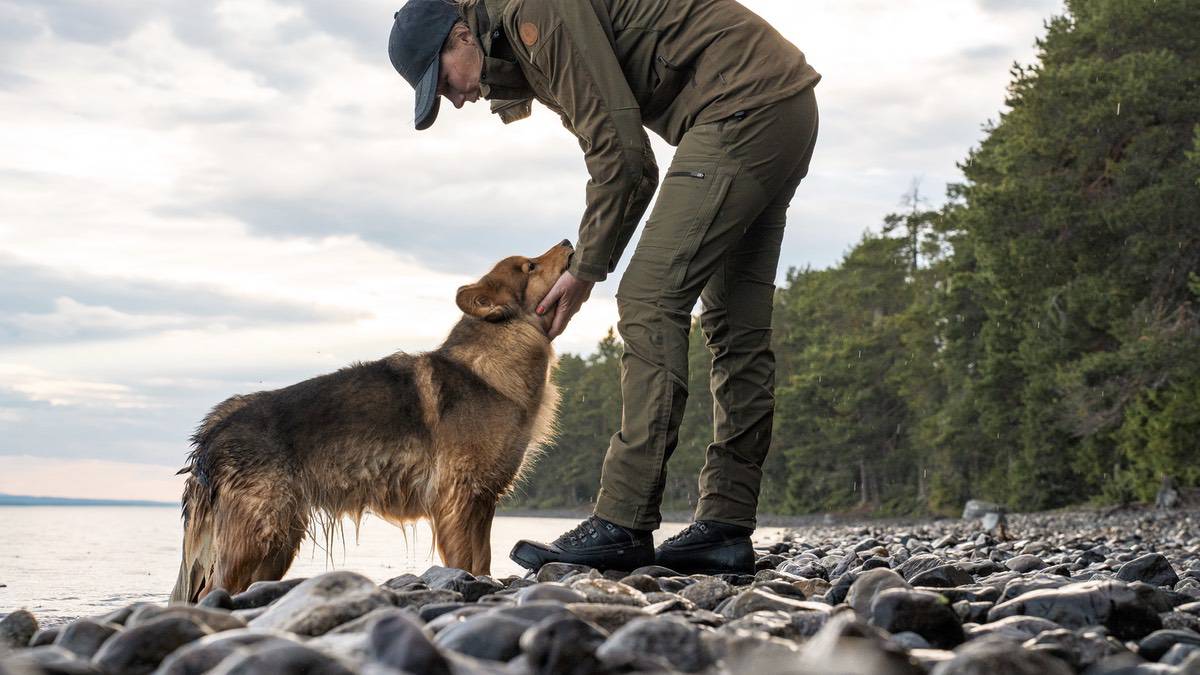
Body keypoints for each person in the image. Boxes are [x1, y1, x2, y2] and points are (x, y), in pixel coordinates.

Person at [389, 0, 819, 575]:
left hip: (742, 107)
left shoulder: (532, 15)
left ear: (461, 37)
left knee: (647, 301)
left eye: (442, 82)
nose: (456, 98)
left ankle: (622, 521)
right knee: (735, 328)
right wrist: (589, 263)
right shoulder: (521, 35)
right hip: (782, 105)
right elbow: (619, 151)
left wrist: (585, 268)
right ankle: (724, 525)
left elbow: (624, 157)